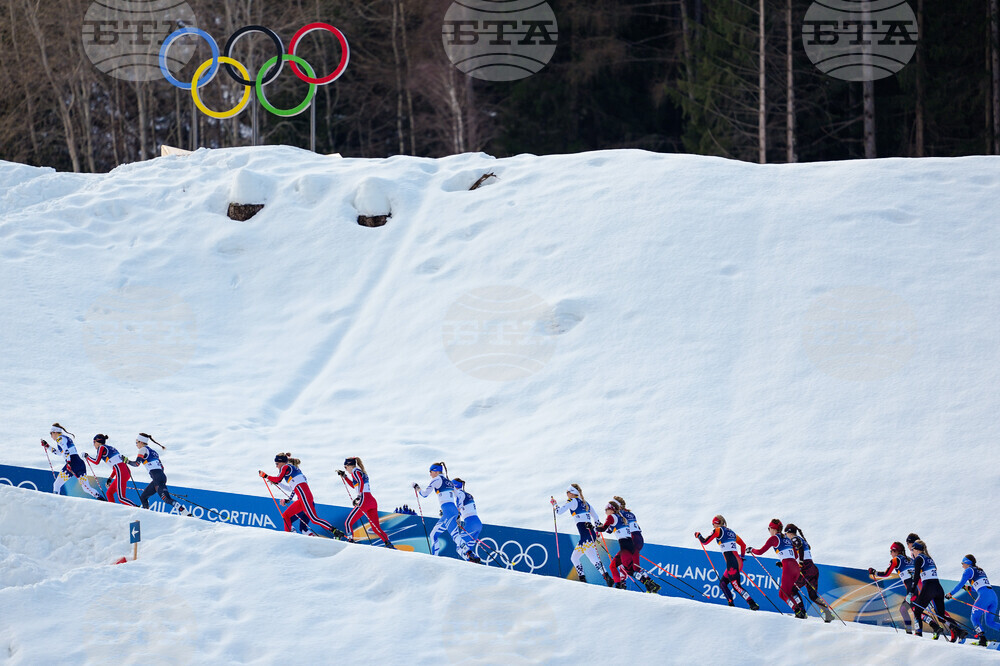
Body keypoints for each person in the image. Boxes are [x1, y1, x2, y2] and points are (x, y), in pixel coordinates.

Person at [260, 453, 341, 536]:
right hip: (303, 497)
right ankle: (289, 536)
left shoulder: (285, 467)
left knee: (314, 519)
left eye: (277, 464)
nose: (276, 466)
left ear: (282, 462)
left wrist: (265, 475)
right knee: (286, 515)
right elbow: (292, 488)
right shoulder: (292, 471)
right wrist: (288, 499)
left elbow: (278, 479)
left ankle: (335, 531)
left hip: (304, 496)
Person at [550, 484, 613, 586]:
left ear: (572, 493)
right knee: (575, 558)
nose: (566, 494)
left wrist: (554, 504)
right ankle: (588, 579)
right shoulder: (586, 503)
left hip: (586, 536)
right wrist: (597, 530)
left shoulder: (572, 501)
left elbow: (559, 511)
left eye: (567, 492)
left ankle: (604, 578)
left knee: (591, 558)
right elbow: (596, 519)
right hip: (589, 534)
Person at [414, 462, 479, 562]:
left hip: (448, 511)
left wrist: (417, 487)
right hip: (450, 511)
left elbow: (425, 494)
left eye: (430, 472)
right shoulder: (449, 482)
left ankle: (470, 555)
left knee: (455, 536)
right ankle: (434, 558)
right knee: (433, 535)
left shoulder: (436, 479)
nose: (430, 474)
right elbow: (460, 496)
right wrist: (458, 510)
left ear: (435, 471)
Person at [595, 500, 660, 593]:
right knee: (614, 565)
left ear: (612, 508)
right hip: (634, 543)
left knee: (629, 570)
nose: (605, 512)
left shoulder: (613, 516)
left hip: (627, 545)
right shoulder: (624, 516)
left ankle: (648, 584)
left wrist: (595, 528)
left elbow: (605, 529)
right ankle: (619, 585)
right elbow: (611, 529)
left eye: (606, 509)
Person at [695, 515, 759, 610]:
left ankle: (752, 604)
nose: (713, 526)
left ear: (716, 523)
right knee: (722, 584)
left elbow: (705, 542)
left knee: (736, 586)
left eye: (713, 524)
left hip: (732, 564)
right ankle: (730, 604)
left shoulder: (718, 531)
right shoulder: (731, 532)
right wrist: (741, 557)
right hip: (737, 562)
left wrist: (698, 535)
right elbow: (743, 545)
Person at [748, 518, 807, 619]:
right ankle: (801, 610)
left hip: (788, 567)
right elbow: (795, 556)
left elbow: (761, 551)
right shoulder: (787, 539)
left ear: (773, 528)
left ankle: (798, 611)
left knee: (783, 594)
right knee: (788, 592)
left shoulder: (774, 538)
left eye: (768, 529)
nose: (769, 531)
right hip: (795, 568)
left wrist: (751, 549)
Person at [909, 540, 966, 642]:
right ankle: (959, 630)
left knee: (917, 611)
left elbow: (917, 576)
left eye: (913, 550)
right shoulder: (929, 558)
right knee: (940, 615)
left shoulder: (918, 558)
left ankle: (919, 634)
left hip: (929, 587)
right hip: (938, 588)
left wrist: (911, 591)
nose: (912, 552)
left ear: (916, 550)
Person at [127, 433, 191, 516]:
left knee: (167, 499)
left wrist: (126, 461)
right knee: (143, 497)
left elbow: (136, 464)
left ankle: (184, 512)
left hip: (157, 478)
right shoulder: (153, 452)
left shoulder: (142, 449)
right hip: (159, 477)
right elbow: (162, 467)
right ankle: (146, 514)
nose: (136, 445)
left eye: (136, 442)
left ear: (141, 442)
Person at [337, 457, 394, 548]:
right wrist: (345, 477)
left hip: (364, 500)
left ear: (349, 465)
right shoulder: (360, 472)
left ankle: (350, 541)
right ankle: (388, 544)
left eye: (345, 467)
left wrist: (359, 496)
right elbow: (355, 485)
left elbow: (360, 482)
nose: (346, 469)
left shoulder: (355, 472)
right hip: (371, 500)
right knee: (376, 528)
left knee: (348, 522)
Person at [784, 524, 835, 622]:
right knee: (813, 595)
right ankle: (828, 614)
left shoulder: (795, 539)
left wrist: (801, 563)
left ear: (789, 532)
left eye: (786, 534)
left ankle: (801, 611)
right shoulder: (801, 539)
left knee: (791, 590)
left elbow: (800, 548)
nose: (786, 536)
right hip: (813, 569)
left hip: (806, 569)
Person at [40, 423, 104, 500]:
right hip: (79, 463)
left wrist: (69, 462)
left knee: (56, 484)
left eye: (51, 433)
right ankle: (100, 498)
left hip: (72, 462)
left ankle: (55, 502)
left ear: (55, 432)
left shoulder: (60, 439)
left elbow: (66, 449)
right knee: (86, 487)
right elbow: (60, 453)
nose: (51, 436)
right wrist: (47, 446)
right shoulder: (64, 438)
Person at [946, 554, 999, 646]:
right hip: (993, 596)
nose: (962, 566)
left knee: (974, 618)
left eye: (962, 563)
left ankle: (982, 640)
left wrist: (950, 593)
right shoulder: (980, 570)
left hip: (984, 596)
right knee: (990, 622)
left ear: (967, 563)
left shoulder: (968, 570)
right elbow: (981, 587)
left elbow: (960, 584)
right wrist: (969, 588)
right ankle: (982, 639)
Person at [869, 541, 920, 634]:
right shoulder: (910, 559)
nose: (891, 554)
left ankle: (933, 627)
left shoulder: (896, 560)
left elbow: (886, 574)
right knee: (905, 609)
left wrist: (874, 572)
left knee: (910, 610)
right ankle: (910, 632)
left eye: (891, 552)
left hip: (911, 590)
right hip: (918, 588)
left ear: (895, 551)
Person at [84, 434, 136, 506]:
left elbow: (96, 462)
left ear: (97, 441)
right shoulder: (110, 447)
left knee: (121, 498)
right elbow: (116, 465)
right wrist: (110, 478)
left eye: (93, 442)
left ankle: (137, 508)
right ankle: (113, 510)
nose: (93, 445)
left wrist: (87, 456)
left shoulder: (101, 447)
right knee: (109, 493)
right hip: (124, 471)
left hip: (121, 471)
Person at [453, 478, 482, 554]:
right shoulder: (467, 494)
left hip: (471, 523)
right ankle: (475, 564)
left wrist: (454, 516)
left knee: (460, 548)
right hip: (477, 523)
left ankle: (471, 562)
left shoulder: (460, 493)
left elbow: (459, 507)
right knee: (468, 551)